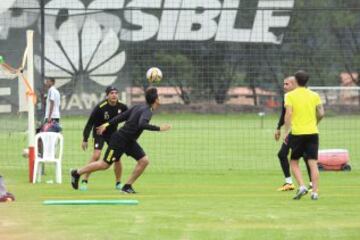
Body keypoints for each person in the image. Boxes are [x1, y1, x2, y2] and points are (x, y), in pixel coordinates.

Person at [71, 87, 171, 193]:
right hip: (119, 140)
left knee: (144, 161)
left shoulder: (138, 106)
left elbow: (122, 116)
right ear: (156, 100)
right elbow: (142, 124)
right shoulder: (147, 111)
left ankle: (127, 186)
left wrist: (107, 123)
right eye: (159, 97)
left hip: (129, 141)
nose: (159, 99)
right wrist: (159, 128)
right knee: (104, 165)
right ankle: (77, 173)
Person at [284, 70, 325, 200]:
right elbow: (321, 113)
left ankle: (301, 186)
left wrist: (286, 131)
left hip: (297, 133)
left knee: (294, 161)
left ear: (295, 81)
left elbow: (288, 114)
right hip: (313, 132)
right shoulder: (314, 95)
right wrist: (316, 122)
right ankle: (315, 192)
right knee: (313, 163)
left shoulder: (290, 95)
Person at [81, 86, 128, 190]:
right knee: (96, 155)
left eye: (116, 93)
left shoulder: (122, 107)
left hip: (113, 134)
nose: (114, 95)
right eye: (111, 93)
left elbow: (130, 117)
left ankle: (118, 183)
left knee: (117, 158)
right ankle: (84, 180)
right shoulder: (100, 107)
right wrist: (85, 139)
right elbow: (90, 123)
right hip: (99, 132)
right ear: (107, 95)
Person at [275, 76, 312, 191]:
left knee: (306, 156)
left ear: (294, 84)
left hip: (301, 131)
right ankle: (289, 183)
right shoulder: (287, 97)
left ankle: (311, 184)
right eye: (284, 84)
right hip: (293, 131)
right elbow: (284, 114)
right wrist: (278, 128)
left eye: (287, 84)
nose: (284, 86)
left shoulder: (306, 95)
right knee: (282, 154)